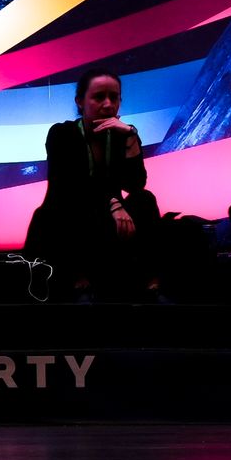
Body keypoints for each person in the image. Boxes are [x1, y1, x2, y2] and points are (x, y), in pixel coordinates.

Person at [26, 70, 158, 300]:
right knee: (59, 210)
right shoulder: (61, 133)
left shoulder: (122, 135)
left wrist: (130, 136)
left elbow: (136, 184)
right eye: (99, 97)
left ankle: (151, 283)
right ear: (80, 101)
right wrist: (114, 202)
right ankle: (75, 279)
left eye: (114, 97)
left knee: (146, 200)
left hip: (108, 219)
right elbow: (67, 186)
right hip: (71, 215)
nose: (108, 104)